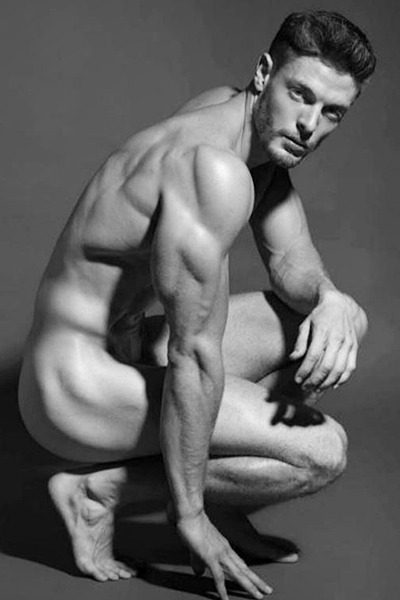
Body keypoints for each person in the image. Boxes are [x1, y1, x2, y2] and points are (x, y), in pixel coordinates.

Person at [18, 10, 375, 599]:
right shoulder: (212, 170)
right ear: (264, 73)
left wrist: (332, 299)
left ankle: (225, 498)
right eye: (301, 94)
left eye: (332, 112)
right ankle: (100, 492)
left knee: (331, 322)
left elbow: (291, 259)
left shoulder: (236, 116)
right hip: (71, 381)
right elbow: (194, 353)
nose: (310, 125)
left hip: (129, 346)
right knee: (322, 453)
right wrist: (188, 514)